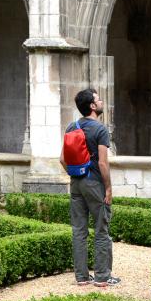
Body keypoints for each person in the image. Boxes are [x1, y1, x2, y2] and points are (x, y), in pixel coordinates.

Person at [60, 89, 121, 287]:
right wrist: (109, 189)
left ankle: (82, 277)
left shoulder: (71, 127)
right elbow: (103, 163)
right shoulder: (100, 129)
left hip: (76, 183)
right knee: (101, 229)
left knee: (79, 231)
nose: (101, 101)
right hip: (95, 183)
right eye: (98, 99)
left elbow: (62, 159)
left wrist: (75, 175)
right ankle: (103, 277)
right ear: (93, 107)